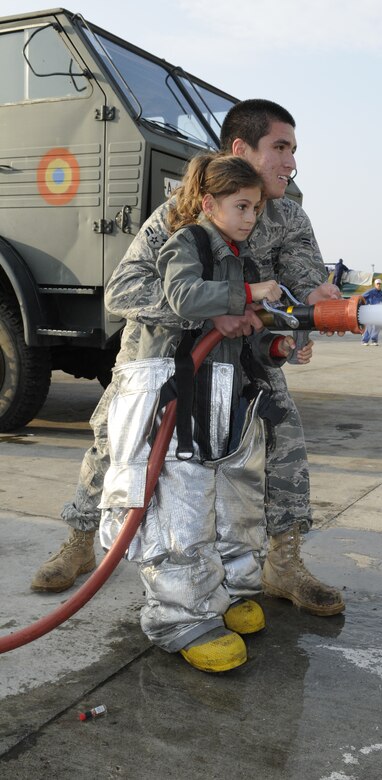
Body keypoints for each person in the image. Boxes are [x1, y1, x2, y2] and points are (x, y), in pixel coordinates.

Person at [31, 99, 346, 618]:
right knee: (115, 437)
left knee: (283, 434)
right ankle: (81, 541)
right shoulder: (183, 210)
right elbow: (123, 290)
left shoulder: (288, 215)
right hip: (159, 353)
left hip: (242, 356)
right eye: (281, 148)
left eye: (294, 150)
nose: (291, 163)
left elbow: (301, 282)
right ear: (241, 149)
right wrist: (205, 311)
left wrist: (311, 312)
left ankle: (283, 562)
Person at [100, 153, 296, 672]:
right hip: (178, 400)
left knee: (234, 502)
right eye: (242, 206)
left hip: (225, 397)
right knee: (181, 508)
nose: (252, 216)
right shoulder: (185, 240)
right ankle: (181, 617)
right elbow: (183, 297)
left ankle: (225, 593)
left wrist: (272, 346)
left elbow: (240, 331)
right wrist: (243, 296)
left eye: (255, 207)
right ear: (209, 203)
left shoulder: (239, 255)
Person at [361, 278, 382, 346]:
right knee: (369, 327)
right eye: (377, 284)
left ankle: (374, 340)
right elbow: (362, 297)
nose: (379, 285)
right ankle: (364, 341)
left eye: (380, 284)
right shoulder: (370, 292)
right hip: (370, 311)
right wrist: (367, 304)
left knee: (377, 327)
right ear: (375, 285)